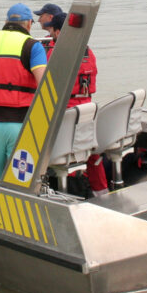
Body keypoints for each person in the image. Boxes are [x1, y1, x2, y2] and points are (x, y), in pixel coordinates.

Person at [0, 3, 48, 182]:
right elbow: (43, 82)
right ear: (29, 24)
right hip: (19, 123)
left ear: (6, 21)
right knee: (20, 180)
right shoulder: (33, 46)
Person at [44, 12, 109, 196]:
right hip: (87, 113)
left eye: (52, 31)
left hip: (65, 117)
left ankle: (40, 189)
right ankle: (102, 193)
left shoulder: (55, 53)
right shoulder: (88, 52)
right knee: (93, 156)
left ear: (57, 32)